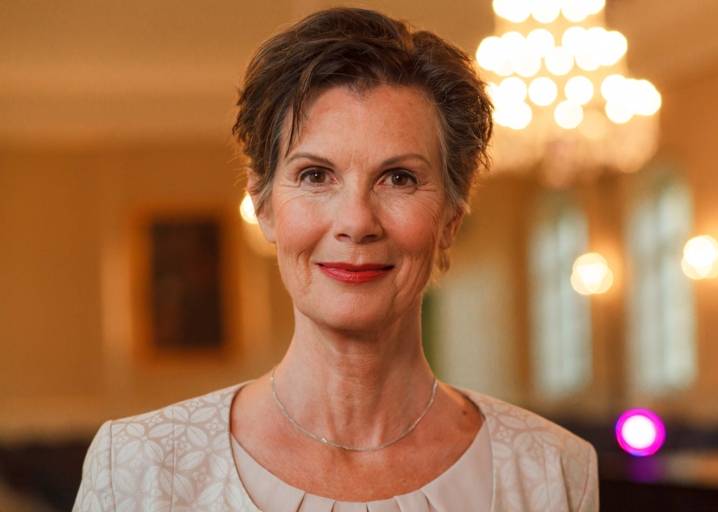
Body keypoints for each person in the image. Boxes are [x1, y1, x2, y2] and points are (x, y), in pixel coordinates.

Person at [74, 7, 598, 512]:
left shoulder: (552, 468)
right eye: (315, 175)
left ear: (450, 220)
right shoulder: (138, 467)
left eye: (399, 178)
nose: (356, 221)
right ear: (264, 207)